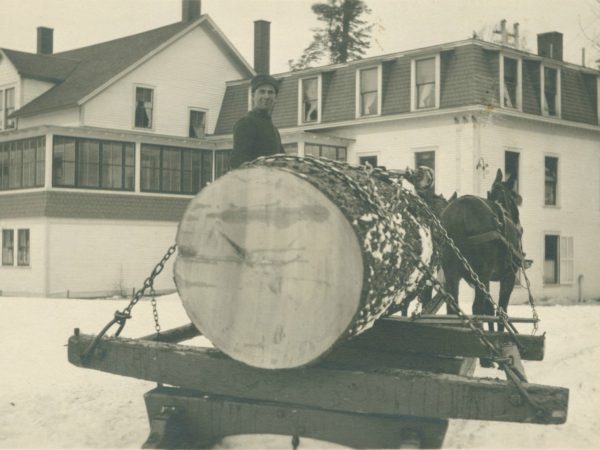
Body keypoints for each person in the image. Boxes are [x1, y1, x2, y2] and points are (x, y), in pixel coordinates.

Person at [229, 74, 284, 169]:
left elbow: (282, 161)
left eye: (270, 92)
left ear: (275, 98)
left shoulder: (274, 130)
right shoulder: (246, 123)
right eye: (262, 91)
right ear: (253, 96)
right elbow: (239, 164)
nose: (266, 96)